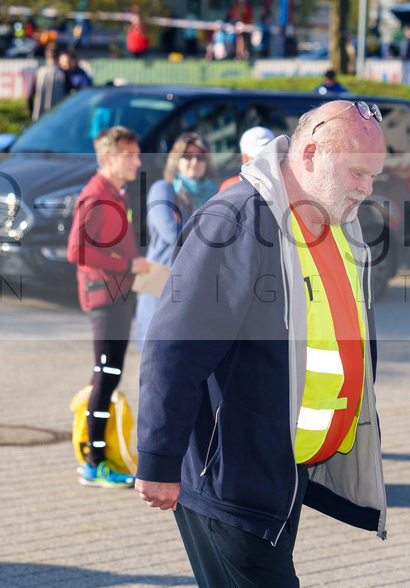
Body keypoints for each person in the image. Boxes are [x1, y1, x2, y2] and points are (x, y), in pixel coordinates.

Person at [134, 99, 389, 586]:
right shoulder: (237, 221)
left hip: (285, 471)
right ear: (311, 153)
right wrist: (158, 458)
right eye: (357, 172)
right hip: (230, 477)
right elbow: (176, 345)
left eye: (373, 176)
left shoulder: (339, 223)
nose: (367, 188)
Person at [67, 125, 151, 488]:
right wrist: (127, 265)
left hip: (119, 294)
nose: (138, 161)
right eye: (129, 155)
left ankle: (93, 452)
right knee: (106, 374)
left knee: (108, 374)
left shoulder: (115, 191)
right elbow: (77, 251)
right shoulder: (96, 195)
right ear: (107, 158)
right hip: (104, 297)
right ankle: (94, 461)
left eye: (137, 153)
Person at [135, 133, 217, 350]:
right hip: (160, 282)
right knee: (157, 360)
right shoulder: (163, 189)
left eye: (200, 158)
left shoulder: (213, 193)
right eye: (187, 156)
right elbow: (172, 232)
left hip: (194, 285)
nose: (194, 162)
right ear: (176, 159)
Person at [218, 125, 275, 191]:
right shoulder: (229, 187)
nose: (265, 162)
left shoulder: (230, 187)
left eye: (268, 156)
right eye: (257, 158)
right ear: (244, 158)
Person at [27, 43, 68, 121]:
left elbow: (29, 98)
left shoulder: (39, 72)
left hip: (39, 119)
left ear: (46, 55)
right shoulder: (62, 73)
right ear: (59, 56)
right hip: (58, 118)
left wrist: (33, 113)